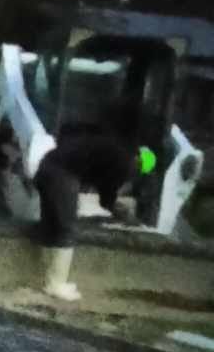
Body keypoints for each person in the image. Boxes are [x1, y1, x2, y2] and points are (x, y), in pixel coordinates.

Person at [31, 129, 153, 302]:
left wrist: (114, 206)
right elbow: (107, 198)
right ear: (139, 162)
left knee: (51, 226)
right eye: (138, 171)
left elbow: (105, 197)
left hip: (47, 167)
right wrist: (123, 214)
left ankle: (46, 280)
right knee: (67, 229)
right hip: (62, 175)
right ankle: (56, 285)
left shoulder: (116, 148)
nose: (134, 175)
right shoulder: (125, 161)